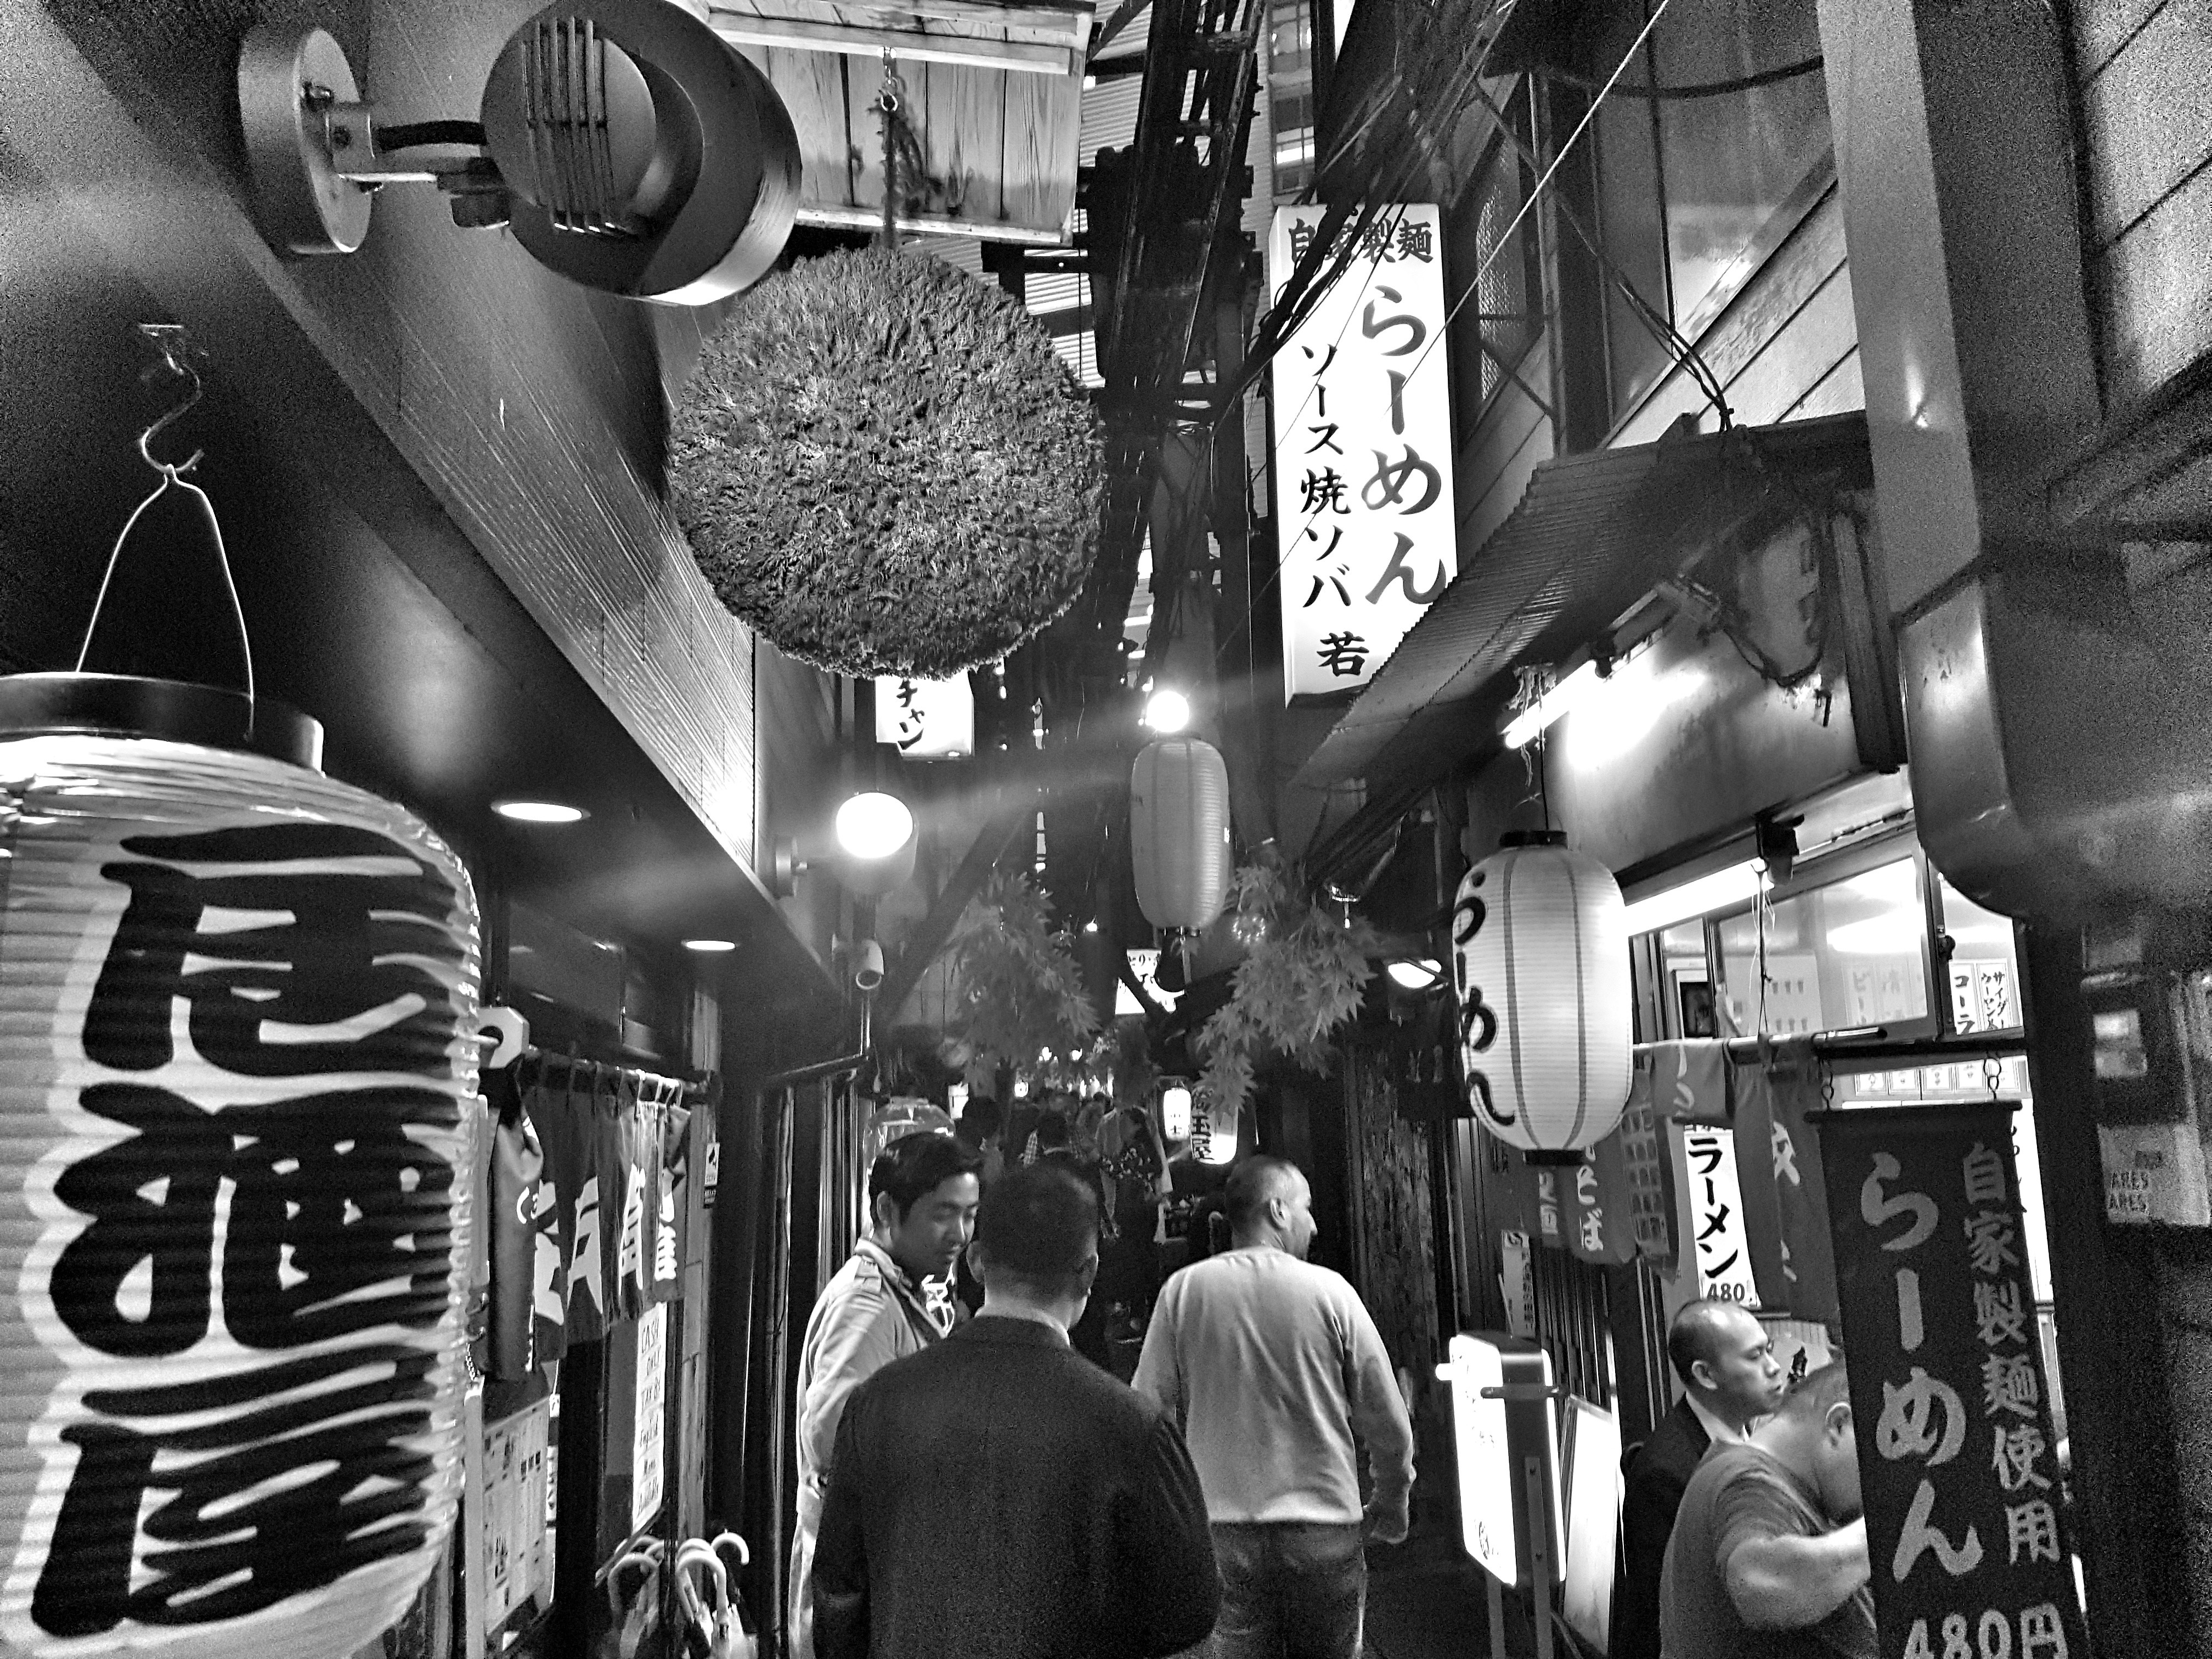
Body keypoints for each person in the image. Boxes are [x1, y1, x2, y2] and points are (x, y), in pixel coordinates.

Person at [812, 1161, 1221, 1659]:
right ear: (1090, 1270)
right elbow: (1189, 1608)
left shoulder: (878, 1404)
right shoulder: (1132, 1426)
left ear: (977, 1262)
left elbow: (839, 1593)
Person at [1132, 1155, 1414, 1659]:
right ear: (1278, 1211)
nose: (1315, 1222)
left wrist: (1173, 1514)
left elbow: (1147, 1414)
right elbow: (1387, 1419)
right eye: (1307, 1208)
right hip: (1324, 1529)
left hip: (1222, 1533)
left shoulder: (1184, 1292)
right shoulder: (1331, 1293)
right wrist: (1391, 1500)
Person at [787, 1132, 983, 1659]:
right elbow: (837, 1444)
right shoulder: (868, 1307)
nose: (960, 1234)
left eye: (969, 1215)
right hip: (861, 1581)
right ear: (886, 1209)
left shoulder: (901, 1290)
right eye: (944, 1214)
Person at [1658, 1361, 1874, 1659]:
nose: (1878, 1484)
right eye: (1879, 1460)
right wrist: (1888, 1524)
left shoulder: (1765, 1479)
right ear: (1839, 1424)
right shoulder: (1748, 1482)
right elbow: (1760, 1584)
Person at [1613, 1299, 1790, 1659]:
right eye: (1755, 1357)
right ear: (1706, 1375)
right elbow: (1666, 1613)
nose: (1774, 1369)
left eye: (1769, 1351)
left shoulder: (1748, 1435)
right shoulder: (1665, 1473)